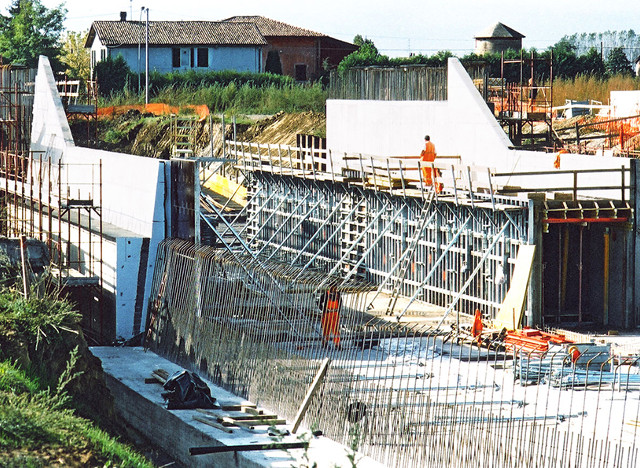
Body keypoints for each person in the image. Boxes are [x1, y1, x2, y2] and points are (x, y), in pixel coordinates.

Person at [319, 284, 341, 348]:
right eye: (333, 288)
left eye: (335, 288)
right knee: (326, 329)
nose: (334, 289)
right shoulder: (326, 294)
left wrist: (338, 312)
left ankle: (337, 344)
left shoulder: (338, 295)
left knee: (336, 329)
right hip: (327, 314)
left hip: (335, 314)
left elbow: (340, 303)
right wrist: (323, 310)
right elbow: (319, 302)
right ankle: (325, 342)